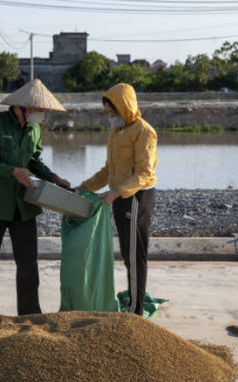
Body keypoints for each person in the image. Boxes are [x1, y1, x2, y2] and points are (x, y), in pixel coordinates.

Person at [0, 79, 71, 322]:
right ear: (23, 107)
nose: (42, 115)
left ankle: (30, 312)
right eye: (40, 110)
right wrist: (13, 171)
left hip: (25, 205)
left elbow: (34, 161)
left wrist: (53, 177)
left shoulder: (35, 130)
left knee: (28, 261)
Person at [75, 83, 157, 316]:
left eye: (113, 112)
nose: (110, 117)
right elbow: (108, 171)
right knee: (127, 253)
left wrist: (116, 192)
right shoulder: (117, 132)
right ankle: (134, 301)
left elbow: (144, 173)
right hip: (120, 197)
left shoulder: (144, 131)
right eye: (108, 112)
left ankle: (135, 311)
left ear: (125, 107)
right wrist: (83, 187)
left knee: (134, 255)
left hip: (136, 197)